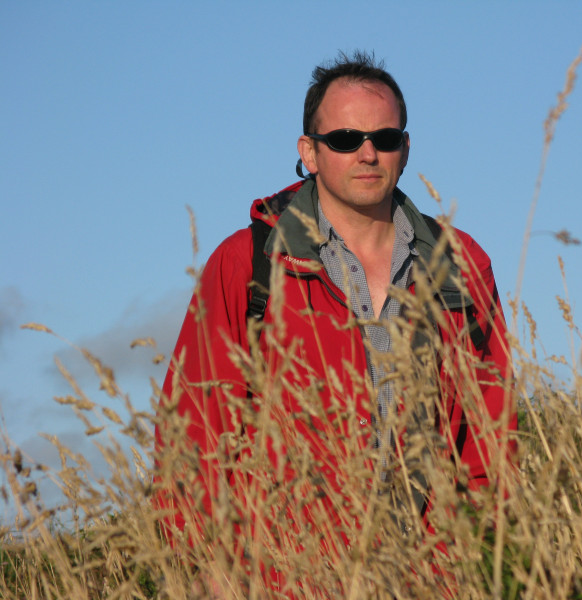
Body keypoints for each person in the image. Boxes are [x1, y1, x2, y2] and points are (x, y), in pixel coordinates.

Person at [154, 51, 516, 593]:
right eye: (345, 139)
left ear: (406, 148)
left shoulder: (459, 264)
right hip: (285, 577)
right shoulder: (249, 263)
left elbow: (491, 429)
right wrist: (206, 564)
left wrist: (473, 550)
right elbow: (194, 429)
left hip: (428, 575)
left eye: (385, 138)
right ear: (310, 153)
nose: (368, 153)